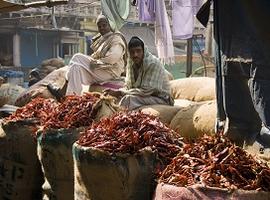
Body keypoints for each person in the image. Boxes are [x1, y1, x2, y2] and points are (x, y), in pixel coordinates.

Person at [47, 14, 127, 98]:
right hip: (100, 70)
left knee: (77, 57)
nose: (102, 28)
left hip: (109, 71)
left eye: (104, 25)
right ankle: (72, 98)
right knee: (75, 68)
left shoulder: (116, 39)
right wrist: (94, 62)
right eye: (99, 26)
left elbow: (112, 58)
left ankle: (63, 89)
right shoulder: (103, 39)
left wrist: (95, 63)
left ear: (111, 25)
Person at [104, 36, 174, 110]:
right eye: (132, 52)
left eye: (138, 51)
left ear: (144, 51)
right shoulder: (131, 64)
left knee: (129, 99)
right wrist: (117, 93)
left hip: (161, 98)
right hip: (143, 96)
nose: (135, 55)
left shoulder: (152, 63)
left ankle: (118, 119)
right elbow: (128, 86)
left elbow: (147, 90)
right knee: (115, 99)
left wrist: (119, 92)